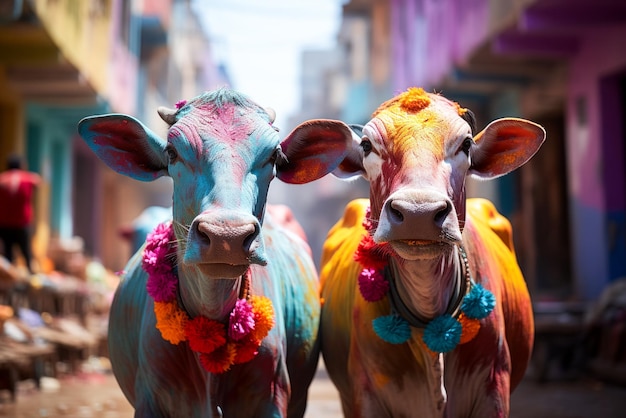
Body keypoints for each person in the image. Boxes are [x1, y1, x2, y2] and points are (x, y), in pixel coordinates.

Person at [0, 154, 41, 273]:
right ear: (21, 166)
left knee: (8, 255)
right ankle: (31, 280)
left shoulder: (2, 179)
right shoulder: (29, 179)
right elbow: (39, 182)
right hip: (22, 223)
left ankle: (7, 280)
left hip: (4, 223)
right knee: (26, 254)